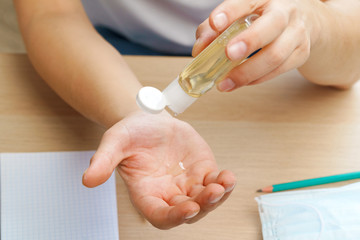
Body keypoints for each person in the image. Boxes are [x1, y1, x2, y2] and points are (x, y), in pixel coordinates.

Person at [13, 0, 360, 230]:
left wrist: (314, 22)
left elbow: (347, 66)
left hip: (268, 59)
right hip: (103, 49)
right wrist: (132, 111)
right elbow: (49, 13)